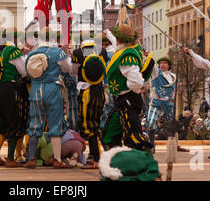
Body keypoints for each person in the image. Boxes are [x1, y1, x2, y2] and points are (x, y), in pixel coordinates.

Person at [101, 24, 155, 155]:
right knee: (109, 134)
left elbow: (136, 81)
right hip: (121, 101)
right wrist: (108, 33)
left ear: (120, 39)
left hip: (128, 101)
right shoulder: (129, 48)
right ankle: (115, 161)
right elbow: (116, 44)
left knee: (134, 136)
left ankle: (146, 164)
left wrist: (130, 89)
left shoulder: (127, 57)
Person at [24, 28, 73, 169]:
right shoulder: (58, 52)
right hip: (53, 89)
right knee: (55, 124)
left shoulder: (32, 53)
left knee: (34, 123)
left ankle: (32, 158)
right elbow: (67, 69)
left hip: (35, 90)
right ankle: (57, 159)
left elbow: (26, 72)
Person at [0, 27, 28, 167]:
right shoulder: (13, 51)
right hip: (10, 89)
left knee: (0, 122)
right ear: (13, 37)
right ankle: (11, 158)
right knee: (14, 122)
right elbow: (23, 71)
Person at [71, 31, 108, 168]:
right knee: (96, 123)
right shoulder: (102, 51)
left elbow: (73, 72)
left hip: (86, 91)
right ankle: (96, 155)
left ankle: (96, 159)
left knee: (88, 125)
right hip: (100, 90)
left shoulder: (77, 53)